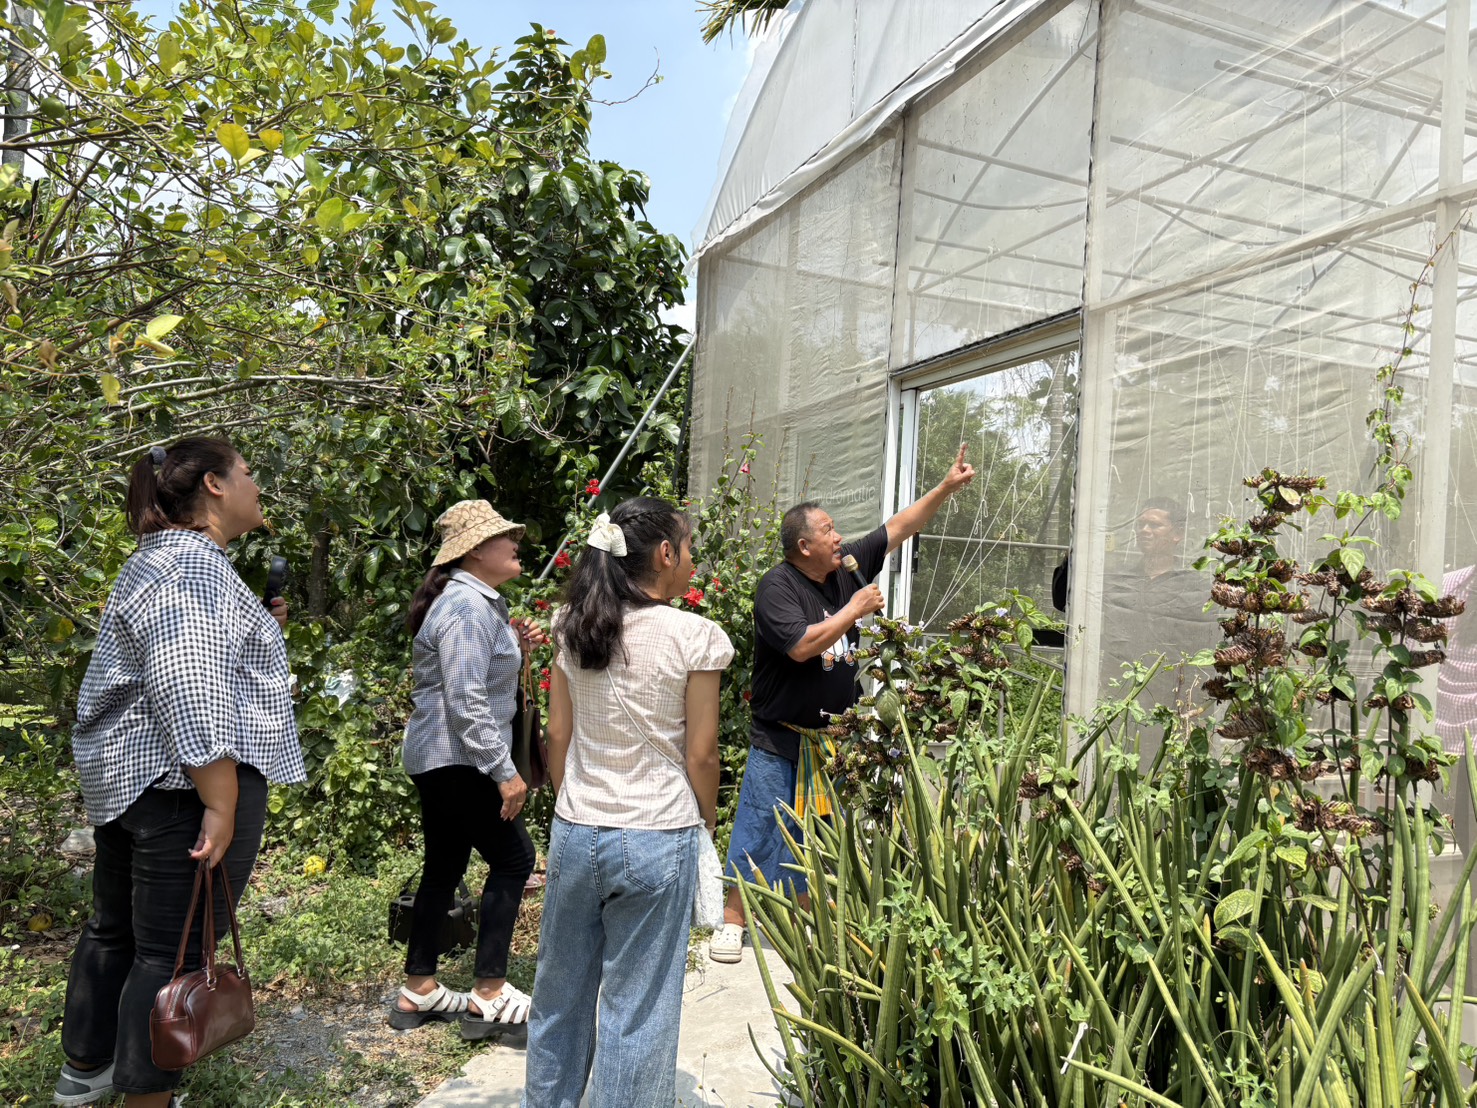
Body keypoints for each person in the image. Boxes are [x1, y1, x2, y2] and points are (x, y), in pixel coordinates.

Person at [53, 438, 304, 1108]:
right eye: (248, 472)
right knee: (173, 955)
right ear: (216, 487)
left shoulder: (162, 562)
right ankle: (144, 1100)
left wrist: (259, 627)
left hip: (136, 781)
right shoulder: (191, 569)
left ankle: (87, 1071)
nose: (256, 484)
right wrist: (219, 800)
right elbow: (187, 684)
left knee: (118, 930)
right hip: (182, 787)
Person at [709, 444, 976, 964]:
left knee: (820, 828)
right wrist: (854, 609)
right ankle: (733, 920)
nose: (839, 537)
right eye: (829, 531)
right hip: (780, 735)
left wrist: (945, 487)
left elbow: (899, 528)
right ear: (803, 546)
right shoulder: (777, 588)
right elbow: (803, 646)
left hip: (833, 736)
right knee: (762, 823)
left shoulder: (845, 567)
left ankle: (809, 919)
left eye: (837, 531)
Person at [522, 498, 733, 1108]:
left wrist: (574, 801)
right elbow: (701, 755)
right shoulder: (696, 636)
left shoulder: (572, 626)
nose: (691, 559)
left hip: (576, 827)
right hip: (657, 833)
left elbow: (557, 736)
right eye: (688, 546)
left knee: (559, 992)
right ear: (665, 554)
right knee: (636, 1008)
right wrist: (705, 818)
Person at [392, 499, 547, 1043]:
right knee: (515, 857)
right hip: (459, 757)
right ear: (477, 551)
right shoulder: (465, 607)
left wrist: (517, 645)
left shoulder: (480, 604)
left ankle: (420, 988)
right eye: (506, 538)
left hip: (443, 758)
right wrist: (504, 771)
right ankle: (488, 993)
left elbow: (480, 675)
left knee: (445, 865)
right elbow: (466, 701)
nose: (515, 544)